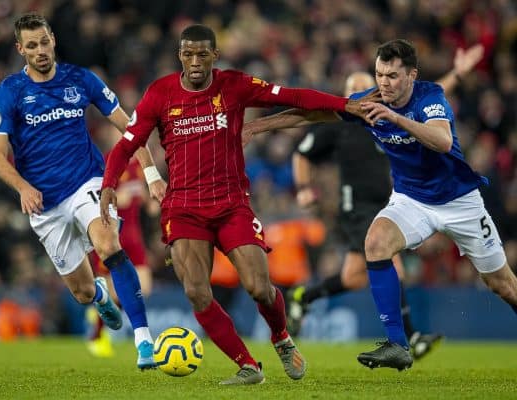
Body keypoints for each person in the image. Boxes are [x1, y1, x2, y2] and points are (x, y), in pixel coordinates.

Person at [99, 24, 377, 385]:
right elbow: (126, 145)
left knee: (260, 287)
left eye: (203, 53)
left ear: (215, 55)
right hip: (182, 207)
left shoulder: (234, 85)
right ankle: (248, 365)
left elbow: (293, 97)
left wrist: (344, 105)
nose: (195, 61)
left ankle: (281, 337)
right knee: (197, 293)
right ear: (179, 55)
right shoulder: (159, 94)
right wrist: (108, 185)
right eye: (188, 53)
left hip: (231, 204)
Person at [245, 39, 517, 370]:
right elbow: (309, 115)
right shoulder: (368, 102)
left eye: (391, 76)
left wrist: (396, 118)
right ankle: (398, 345)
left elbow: (443, 141)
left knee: (502, 285)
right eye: (379, 74)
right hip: (411, 199)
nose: (383, 83)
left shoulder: (429, 97)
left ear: (411, 75)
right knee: (375, 243)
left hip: (459, 201)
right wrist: (257, 126)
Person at [0, 13, 167, 370]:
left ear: (53, 38)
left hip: (88, 182)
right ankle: (100, 295)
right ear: (21, 49)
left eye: (44, 42)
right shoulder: (10, 91)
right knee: (83, 292)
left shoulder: (81, 79)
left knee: (109, 244)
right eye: (32, 45)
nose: (40, 51)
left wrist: (150, 172)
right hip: (44, 204)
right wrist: (22, 187)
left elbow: (130, 127)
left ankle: (143, 340)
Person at [86, 159, 154, 358]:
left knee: (145, 287)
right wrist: (114, 199)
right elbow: (94, 194)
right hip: (113, 233)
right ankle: (97, 333)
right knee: (114, 286)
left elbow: (139, 192)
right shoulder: (109, 160)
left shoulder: (140, 164)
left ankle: (100, 313)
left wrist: (148, 202)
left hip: (135, 235)